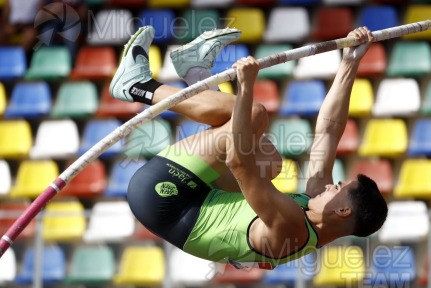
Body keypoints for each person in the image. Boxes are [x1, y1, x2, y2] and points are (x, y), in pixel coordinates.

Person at [110, 26, 388, 269]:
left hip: (163, 198)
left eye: (337, 188)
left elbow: (239, 162)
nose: (330, 186)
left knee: (253, 115)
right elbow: (328, 131)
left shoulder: (290, 226)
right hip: (199, 197)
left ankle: (138, 86)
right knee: (270, 160)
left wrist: (246, 87)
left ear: (342, 211)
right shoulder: (314, 215)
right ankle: (194, 69)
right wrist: (350, 63)